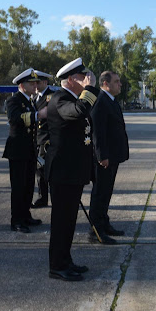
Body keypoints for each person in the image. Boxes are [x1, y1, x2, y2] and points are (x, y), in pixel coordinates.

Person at [45, 58, 99, 282]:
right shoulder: (60, 99)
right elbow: (79, 112)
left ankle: (66, 260)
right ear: (71, 79)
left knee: (69, 222)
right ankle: (57, 266)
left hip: (72, 172)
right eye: (82, 76)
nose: (86, 79)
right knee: (61, 222)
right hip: (62, 173)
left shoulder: (71, 98)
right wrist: (91, 89)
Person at [3, 69, 46, 233]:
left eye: (36, 82)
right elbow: (15, 118)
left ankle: (26, 215)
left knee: (28, 185)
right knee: (19, 187)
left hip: (28, 149)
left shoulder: (30, 100)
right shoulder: (14, 100)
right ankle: (17, 220)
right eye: (31, 83)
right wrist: (37, 115)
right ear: (22, 85)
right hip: (17, 149)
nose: (35, 85)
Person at [89, 71, 129, 244]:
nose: (120, 84)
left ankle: (104, 224)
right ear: (106, 83)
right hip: (104, 158)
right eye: (116, 81)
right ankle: (96, 231)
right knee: (100, 193)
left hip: (113, 156)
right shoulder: (100, 101)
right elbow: (97, 132)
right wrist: (102, 155)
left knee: (106, 192)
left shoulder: (110, 100)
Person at [31, 70, 54, 209]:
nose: (35, 84)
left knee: (48, 170)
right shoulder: (34, 98)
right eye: (34, 82)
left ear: (45, 82)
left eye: (38, 82)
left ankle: (52, 197)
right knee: (39, 171)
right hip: (37, 139)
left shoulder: (51, 97)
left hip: (47, 140)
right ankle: (42, 197)